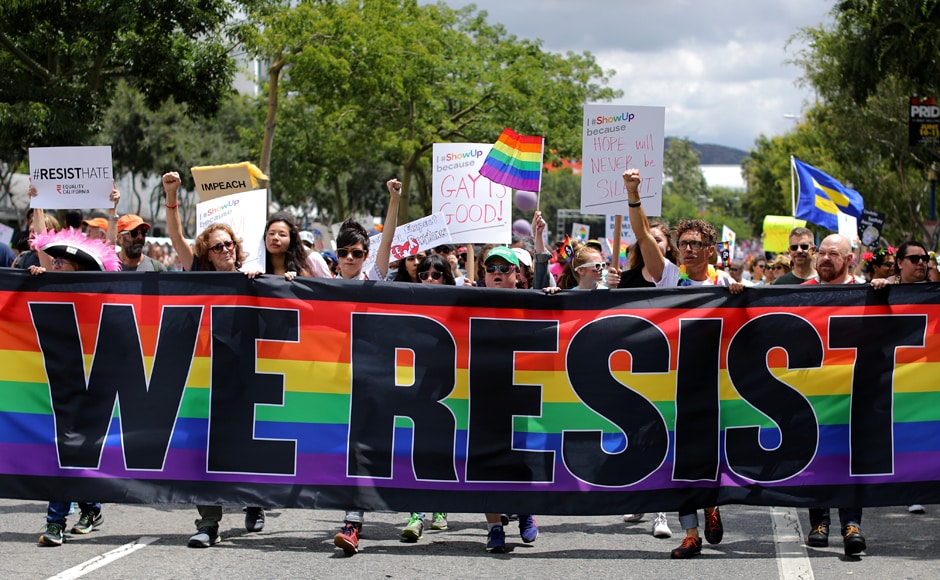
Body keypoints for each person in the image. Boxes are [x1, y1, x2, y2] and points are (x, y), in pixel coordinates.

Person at [624, 168, 743, 559]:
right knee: (676, 459)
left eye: (696, 244)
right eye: (684, 243)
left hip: (715, 382)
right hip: (673, 383)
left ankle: (712, 503)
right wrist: (633, 193)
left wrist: (741, 296)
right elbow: (643, 236)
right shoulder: (670, 278)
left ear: (711, 249)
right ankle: (689, 533)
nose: (688, 249)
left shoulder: (724, 282)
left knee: (710, 453)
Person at [161, 171, 268, 546]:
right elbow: (175, 237)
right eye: (217, 247)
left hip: (246, 377)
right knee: (205, 450)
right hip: (205, 380)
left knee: (245, 446)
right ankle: (208, 523)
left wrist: (260, 279)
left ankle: (253, 500)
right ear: (206, 254)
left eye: (229, 245)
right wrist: (172, 196)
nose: (225, 251)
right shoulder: (199, 279)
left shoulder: (254, 278)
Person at [28, 227, 121, 545]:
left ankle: (72, 514)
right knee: (66, 447)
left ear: (79, 268)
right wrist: (35, 278)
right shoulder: (48, 287)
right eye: (52, 261)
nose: (54, 265)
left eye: (61, 263)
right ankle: (73, 514)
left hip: (96, 379)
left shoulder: (100, 297)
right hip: (60, 379)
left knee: (77, 447)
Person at [799, 233, 867, 556]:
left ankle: (851, 524)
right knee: (818, 457)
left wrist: (883, 292)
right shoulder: (801, 295)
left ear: (849, 259)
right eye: (821, 253)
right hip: (814, 394)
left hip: (855, 393)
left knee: (850, 459)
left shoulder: (865, 291)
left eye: (833, 254)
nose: (825, 259)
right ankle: (819, 522)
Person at [398, 253, 455, 541]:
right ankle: (417, 513)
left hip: (449, 390)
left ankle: (441, 507)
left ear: (447, 277)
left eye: (437, 274)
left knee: (441, 449)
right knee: (415, 449)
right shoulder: (405, 300)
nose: (429, 280)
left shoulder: (460, 304)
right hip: (413, 386)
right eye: (423, 275)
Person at [263, 211, 313, 280]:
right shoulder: (257, 270)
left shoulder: (301, 274)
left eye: (282, 235)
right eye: (271, 233)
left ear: (291, 239)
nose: (275, 238)